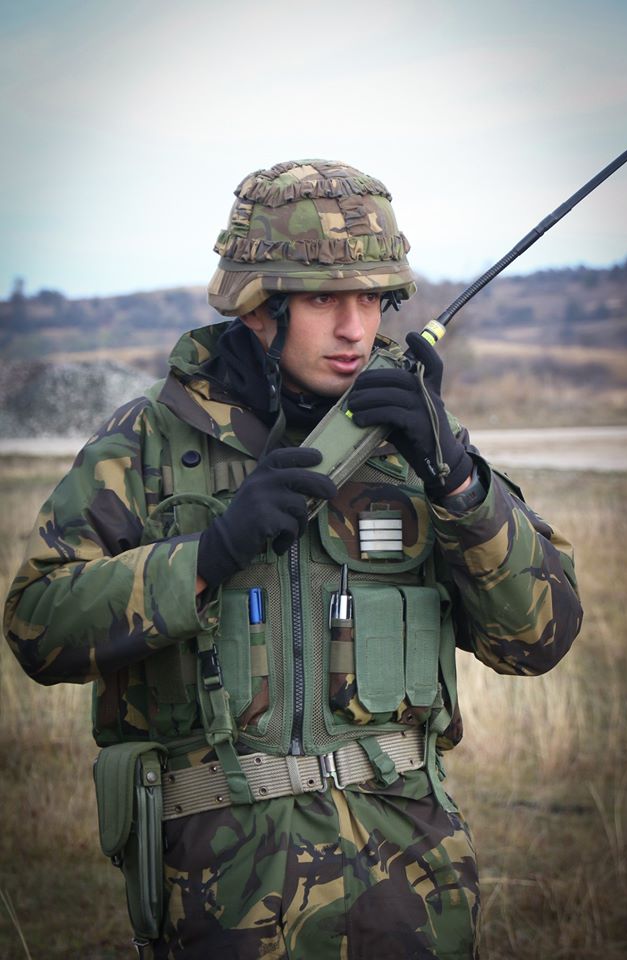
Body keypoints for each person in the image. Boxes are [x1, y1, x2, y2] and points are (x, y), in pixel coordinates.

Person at [3, 159, 582, 960]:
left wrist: (456, 478)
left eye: (373, 300)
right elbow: (37, 625)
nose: (355, 328)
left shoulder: (418, 445)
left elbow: (538, 638)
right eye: (322, 300)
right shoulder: (150, 443)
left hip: (410, 900)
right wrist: (208, 555)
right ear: (257, 306)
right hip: (225, 901)